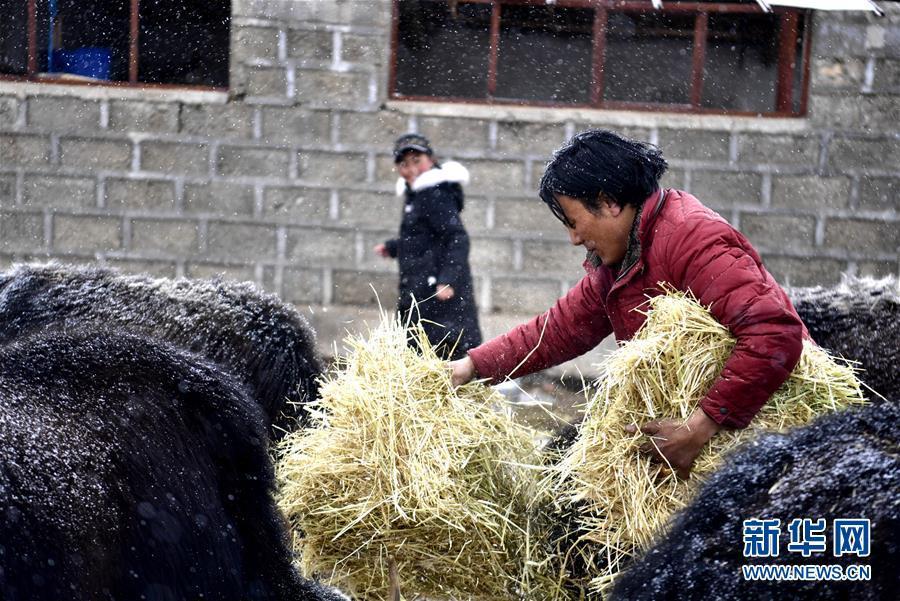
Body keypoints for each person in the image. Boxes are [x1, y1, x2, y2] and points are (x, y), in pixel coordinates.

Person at [449, 129, 807, 479]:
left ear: (609, 202)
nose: (574, 239)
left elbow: (774, 333)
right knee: (560, 470)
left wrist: (699, 428)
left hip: (753, 433)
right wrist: (473, 366)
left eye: (574, 222)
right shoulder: (620, 260)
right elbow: (561, 328)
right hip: (679, 420)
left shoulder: (693, 240)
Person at [375, 133, 482, 360]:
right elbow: (424, 238)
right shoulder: (418, 194)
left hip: (436, 291)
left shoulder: (434, 193)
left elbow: (457, 237)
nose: (411, 168)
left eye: (417, 161)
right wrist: (394, 247)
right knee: (422, 352)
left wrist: (448, 279)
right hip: (422, 287)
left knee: (442, 353)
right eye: (404, 164)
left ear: (431, 161)